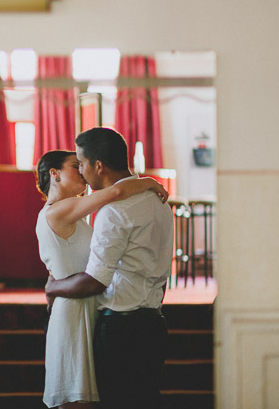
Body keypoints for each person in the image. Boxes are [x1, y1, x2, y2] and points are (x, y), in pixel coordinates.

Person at [45, 127, 174, 409]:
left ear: (98, 165)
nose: (81, 170)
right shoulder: (160, 201)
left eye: (81, 163)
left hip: (121, 329)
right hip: (154, 322)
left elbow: (95, 281)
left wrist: (53, 287)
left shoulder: (113, 211)